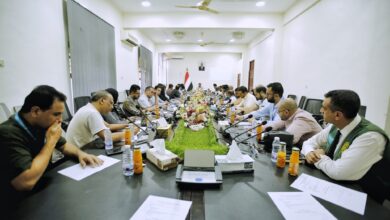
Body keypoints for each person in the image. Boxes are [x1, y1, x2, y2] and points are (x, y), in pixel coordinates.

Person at [0, 85, 102, 216]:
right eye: (56, 114)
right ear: (36, 111)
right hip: (15, 204)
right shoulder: (7, 133)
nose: (60, 119)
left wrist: (80, 153)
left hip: (40, 190)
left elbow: (64, 145)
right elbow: (25, 182)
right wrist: (50, 142)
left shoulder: (40, 124)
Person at [302, 90, 389, 203]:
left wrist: (319, 157)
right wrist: (310, 152)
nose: (320, 110)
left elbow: (338, 172)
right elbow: (308, 143)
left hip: (364, 198)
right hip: (336, 186)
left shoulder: (370, 137)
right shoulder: (336, 125)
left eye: (324, 108)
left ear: (337, 115)